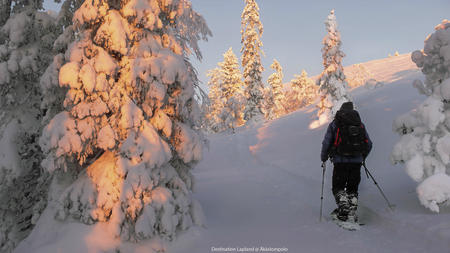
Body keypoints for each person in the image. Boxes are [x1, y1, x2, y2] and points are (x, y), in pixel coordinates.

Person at [320, 101, 372, 222]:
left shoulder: (335, 124)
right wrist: (362, 157)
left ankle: (343, 210)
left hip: (340, 161)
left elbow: (326, 142)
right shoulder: (360, 124)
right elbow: (368, 143)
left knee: (338, 187)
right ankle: (352, 211)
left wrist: (324, 157)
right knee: (352, 188)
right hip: (356, 162)